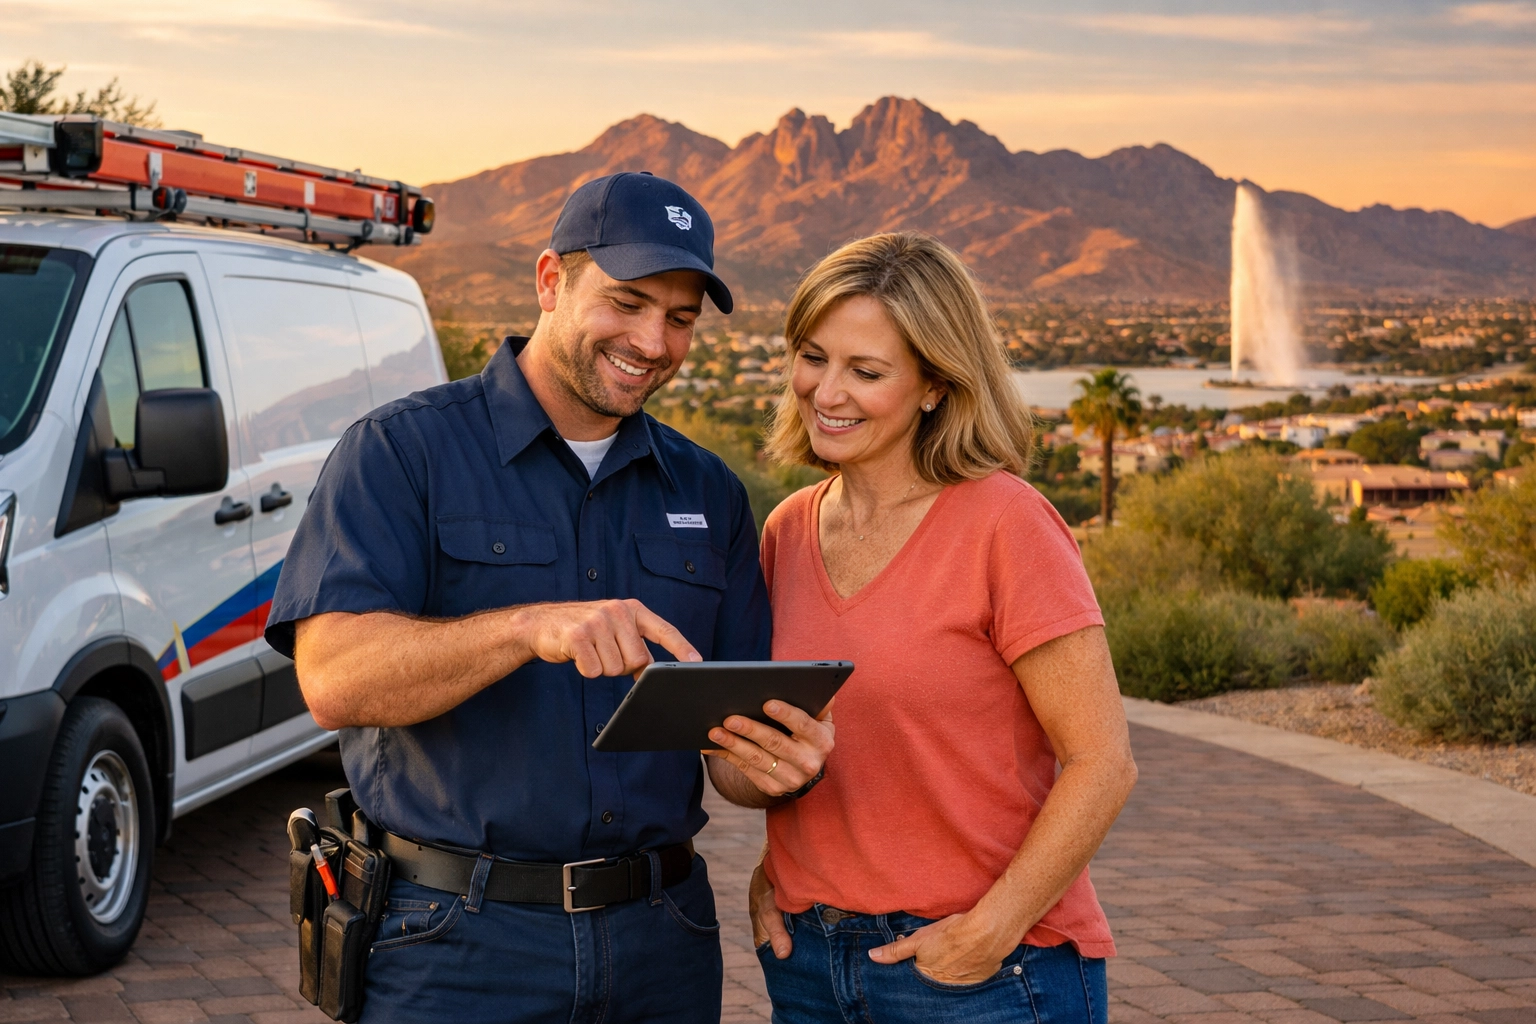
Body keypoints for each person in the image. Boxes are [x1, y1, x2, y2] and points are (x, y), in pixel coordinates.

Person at [263, 172, 833, 1024]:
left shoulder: (709, 491)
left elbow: (728, 759)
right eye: (628, 302)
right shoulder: (400, 452)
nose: (653, 340)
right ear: (549, 281)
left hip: (662, 941)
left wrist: (775, 770)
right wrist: (529, 627)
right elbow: (334, 682)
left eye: (680, 319)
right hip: (452, 942)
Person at [740, 232, 1137, 1024]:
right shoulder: (785, 530)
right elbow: (789, 747)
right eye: (813, 356)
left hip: (978, 977)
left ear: (933, 386)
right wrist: (771, 869)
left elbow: (1103, 761)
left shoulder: (1004, 524)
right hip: (809, 964)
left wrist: (993, 928)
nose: (827, 391)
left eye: (867, 371)